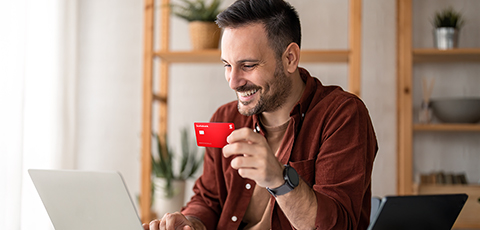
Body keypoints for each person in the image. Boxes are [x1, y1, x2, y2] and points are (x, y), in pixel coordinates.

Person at [145, 0, 377, 229]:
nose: (233, 82)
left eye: (248, 65)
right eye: (227, 65)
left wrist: (280, 180)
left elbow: (338, 226)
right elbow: (208, 199)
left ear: (290, 58)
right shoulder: (224, 118)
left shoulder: (343, 115)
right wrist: (191, 223)